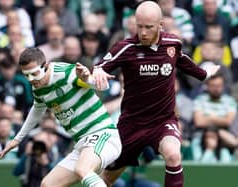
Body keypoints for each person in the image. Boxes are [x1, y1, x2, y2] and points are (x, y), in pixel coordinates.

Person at [91, 1, 220, 187]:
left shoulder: (172, 44)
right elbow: (100, 66)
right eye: (139, 26)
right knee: (107, 179)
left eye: (149, 27)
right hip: (131, 125)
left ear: (160, 25)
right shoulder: (126, 47)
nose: (143, 32)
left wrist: (205, 74)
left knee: (174, 155)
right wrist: (97, 72)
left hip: (162, 121)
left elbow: (184, 61)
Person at [0, 47, 122, 187]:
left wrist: (87, 78)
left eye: (34, 74)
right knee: (48, 184)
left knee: (83, 169)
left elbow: (102, 86)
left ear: (44, 66)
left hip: (103, 134)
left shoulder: (66, 73)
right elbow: (37, 109)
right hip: (82, 143)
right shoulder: (38, 87)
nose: (31, 80)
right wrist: (17, 139)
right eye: (27, 75)